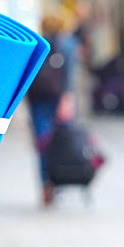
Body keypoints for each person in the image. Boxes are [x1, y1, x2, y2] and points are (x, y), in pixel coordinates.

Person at [26, 11, 80, 206]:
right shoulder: (68, 44)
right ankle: (59, 180)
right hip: (60, 99)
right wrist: (68, 98)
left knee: (43, 142)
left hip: (38, 100)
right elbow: (72, 75)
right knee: (61, 142)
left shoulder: (37, 44)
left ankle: (46, 185)